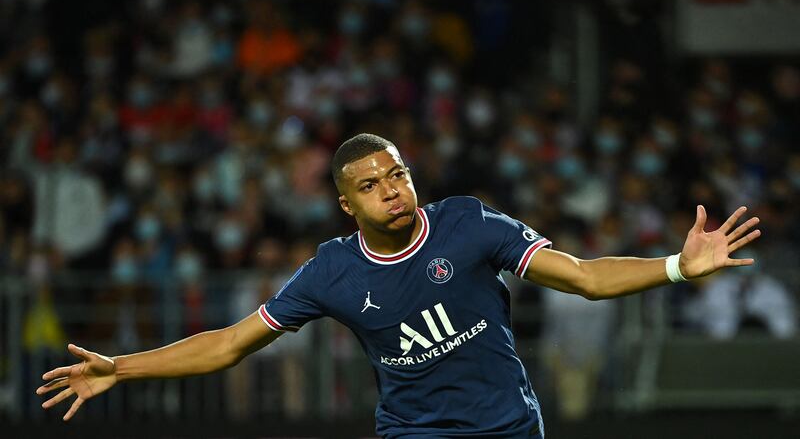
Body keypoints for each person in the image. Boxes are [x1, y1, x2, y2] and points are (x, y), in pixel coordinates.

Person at [37, 134, 761, 437]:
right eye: (371, 184)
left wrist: (675, 266)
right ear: (346, 205)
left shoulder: (469, 223)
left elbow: (583, 278)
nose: (391, 189)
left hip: (508, 426)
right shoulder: (331, 271)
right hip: (414, 434)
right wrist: (120, 369)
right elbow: (229, 344)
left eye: (398, 173)